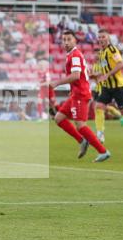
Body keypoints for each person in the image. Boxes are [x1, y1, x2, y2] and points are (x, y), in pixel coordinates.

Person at [45, 31, 110, 162]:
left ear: (75, 41)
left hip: (80, 94)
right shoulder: (72, 55)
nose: (66, 42)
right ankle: (82, 141)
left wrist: (56, 83)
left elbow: (75, 75)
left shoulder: (74, 55)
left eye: (69, 39)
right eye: (64, 40)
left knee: (80, 125)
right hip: (76, 93)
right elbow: (81, 74)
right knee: (58, 118)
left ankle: (103, 151)